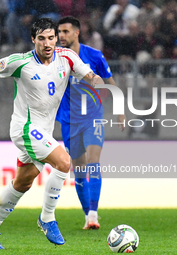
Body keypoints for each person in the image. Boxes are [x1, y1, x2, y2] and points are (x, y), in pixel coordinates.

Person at [0, 18, 104, 249]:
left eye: (51, 38)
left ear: (56, 38)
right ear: (33, 39)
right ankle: (47, 217)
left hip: (43, 131)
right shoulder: (21, 62)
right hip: (24, 128)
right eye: (42, 38)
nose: (47, 43)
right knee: (64, 162)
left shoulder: (67, 57)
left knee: (22, 183)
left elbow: (88, 74)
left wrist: (95, 80)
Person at [56, 16, 126, 230]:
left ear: (77, 33)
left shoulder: (94, 56)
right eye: (59, 32)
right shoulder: (56, 59)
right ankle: (88, 215)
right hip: (69, 120)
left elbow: (111, 83)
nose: (61, 36)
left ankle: (94, 214)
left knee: (94, 160)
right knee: (78, 169)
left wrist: (120, 111)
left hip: (92, 116)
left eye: (66, 32)